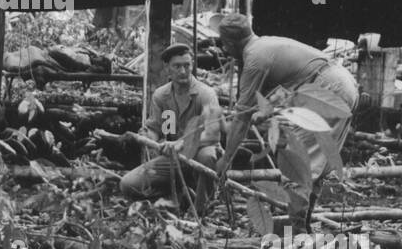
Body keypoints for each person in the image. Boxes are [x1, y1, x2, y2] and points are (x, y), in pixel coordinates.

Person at [215, 13, 358, 180]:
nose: (225, 50)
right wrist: (264, 111)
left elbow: (241, 118)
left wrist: (226, 160)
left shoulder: (254, 59)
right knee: (318, 165)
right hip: (344, 83)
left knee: (298, 167)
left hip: (329, 87)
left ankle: (295, 206)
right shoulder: (265, 44)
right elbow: (288, 87)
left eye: (224, 44)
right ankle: (305, 206)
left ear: (231, 43)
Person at [119, 43, 223, 203]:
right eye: (177, 66)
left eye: (187, 66)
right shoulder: (161, 96)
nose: (183, 71)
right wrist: (148, 135)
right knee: (128, 185)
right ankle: (176, 197)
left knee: (208, 155)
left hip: (199, 153)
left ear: (192, 65)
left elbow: (212, 135)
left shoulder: (205, 94)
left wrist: (182, 143)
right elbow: (156, 128)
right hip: (173, 159)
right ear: (167, 68)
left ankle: (203, 206)